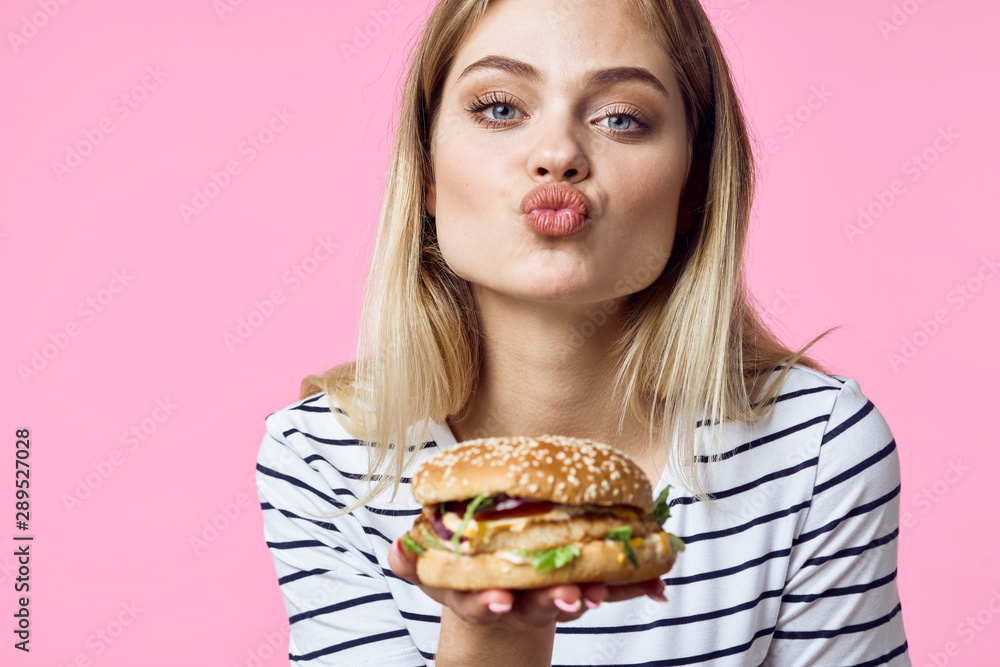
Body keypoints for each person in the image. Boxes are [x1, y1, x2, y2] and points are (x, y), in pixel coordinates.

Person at [255, 0, 910, 664]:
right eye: (500, 109)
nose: (558, 154)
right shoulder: (324, 460)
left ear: (692, 184)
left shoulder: (818, 449)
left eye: (621, 118)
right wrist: (494, 628)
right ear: (426, 171)